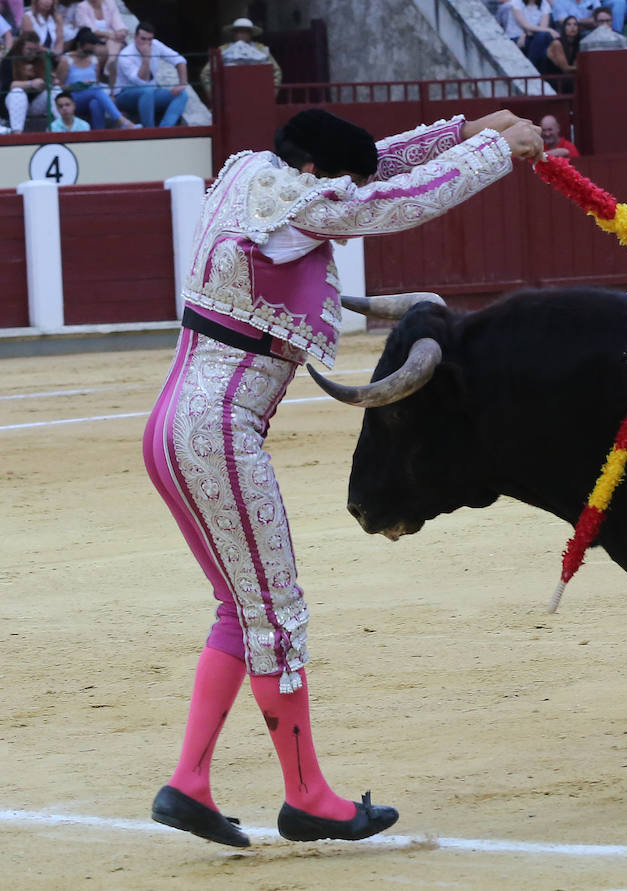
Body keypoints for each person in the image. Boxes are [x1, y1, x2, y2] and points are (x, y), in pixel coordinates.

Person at [143, 107, 544, 848]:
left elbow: (373, 170)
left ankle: (190, 784)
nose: (349, 215)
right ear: (316, 173)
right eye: (342, 186)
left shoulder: (252, 175)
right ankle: (308, 798)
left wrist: (458, 133)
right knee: (277, 615)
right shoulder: (303, 197)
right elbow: (396, 200)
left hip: (171, 427)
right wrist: (496, 152)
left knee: (242, 609)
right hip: (219, 433)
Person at [55, 26, 138, 129]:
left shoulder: (94, 60)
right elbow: (59, 87)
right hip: (72, 99)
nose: (88, 55)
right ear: (79, 46)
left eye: (91, 52)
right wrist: (76, 86)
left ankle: (99, 133)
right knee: (96, 90)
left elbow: (96, 81)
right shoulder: (66, 60)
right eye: (86, 52)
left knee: (96, 102)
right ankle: (122, 121)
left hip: (89, 97)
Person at [113, 21, 188, 127]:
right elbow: (141, 81)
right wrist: (146, 58)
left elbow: (180, 60)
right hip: (125, 95)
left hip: (150, 93)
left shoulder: (156, 45)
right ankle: (150, 131)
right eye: (143, 39)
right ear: (135, 37)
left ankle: (165, 129)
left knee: (182, 95)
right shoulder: (125, 55)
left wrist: (182, 83)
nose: (147, 43)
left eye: (150, 39)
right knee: (147, 91)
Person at [199, 17, 282, 102]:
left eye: (245, 31)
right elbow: (206, 73)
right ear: (234, 33)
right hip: (230, 96)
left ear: (251, 33)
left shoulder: (261, 50)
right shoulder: (224, 50)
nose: (241, 34)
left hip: (257, 95)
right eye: (238, 31)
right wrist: (215, 97)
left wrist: (271, 94)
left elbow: (276, 71)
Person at [1, 29, 61, 133]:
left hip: (35, 102)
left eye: (35, 49)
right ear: (21, 47)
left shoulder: (41, 59)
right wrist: (30, 84)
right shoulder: (9, 61)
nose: (33, 53)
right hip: (12, 103)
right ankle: (17, 133)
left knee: (55, 91)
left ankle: (63, 127)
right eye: (29, 49)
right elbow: (6, 86)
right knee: (18, 93)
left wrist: (51, 81)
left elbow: (51, 78)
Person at [74, 0, 128, 82]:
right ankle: (103, 75)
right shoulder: (81, 6)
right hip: (93, 40)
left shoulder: (110, 3)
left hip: (112, 39)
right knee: (105, 49)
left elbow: (118, 23)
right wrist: (110, 35)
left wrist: (122, 32)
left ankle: (109, 66)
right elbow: (90, 29)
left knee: (118, 44)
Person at [505, 0, 558, 71]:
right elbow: (525, 25)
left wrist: (527, 34)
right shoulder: (516, 3)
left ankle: (533, 70)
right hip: (517, 37)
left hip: (532, 36)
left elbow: (543, 28)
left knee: (544, 37)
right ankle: (533, 70)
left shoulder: (544, 4)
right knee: (543, 39)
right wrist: (550, 30)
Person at [545, 13, 582, 85]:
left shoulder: (578, 45)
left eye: (575, 24)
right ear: (564, 28)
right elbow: (566, 69)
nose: (572, 27)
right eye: (569, 24)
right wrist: (587, 68)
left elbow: (576, 66)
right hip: (552, 80)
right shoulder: (557, 43)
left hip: (567, 79)